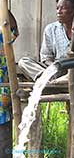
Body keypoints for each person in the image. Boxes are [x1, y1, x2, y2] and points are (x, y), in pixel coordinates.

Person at [18, 0, 74, 81]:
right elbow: (46, 58)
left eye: (63, 8)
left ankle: (48, 82)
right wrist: (56, 67)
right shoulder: (51, 29)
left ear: (73, 10)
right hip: (56, 69)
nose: (59, 12)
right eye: (57, 8)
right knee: (23, 62)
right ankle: (50, 80)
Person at [0, 11, 19, 158]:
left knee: (4, 147)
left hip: (1, 99)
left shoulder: (2, 33)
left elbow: (13, 29)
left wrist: (2, 6)